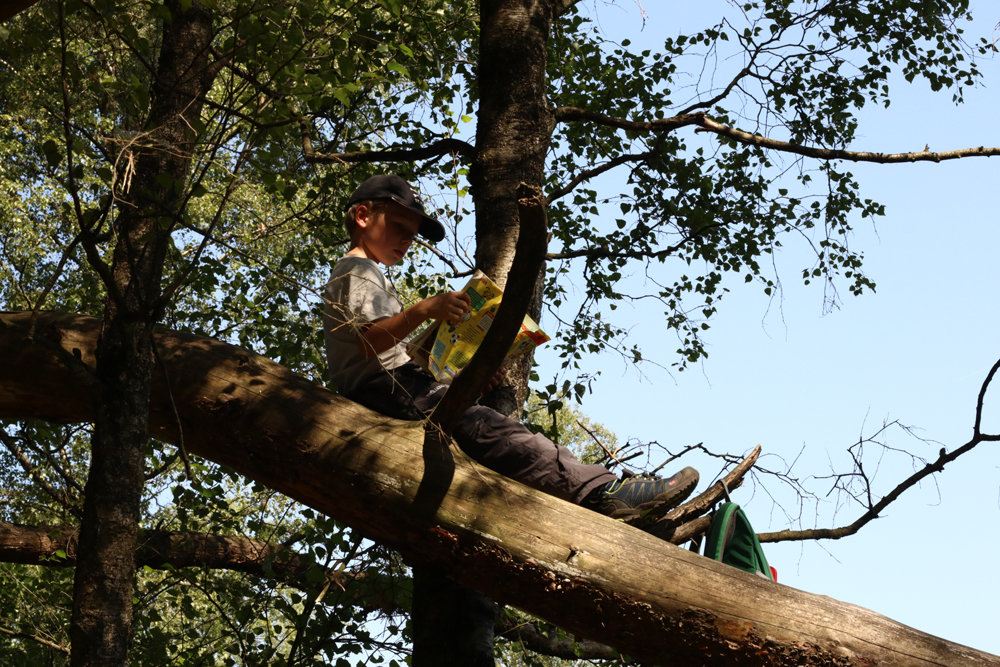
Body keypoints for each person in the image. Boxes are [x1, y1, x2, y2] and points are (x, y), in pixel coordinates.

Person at [323, 174, 699, 523]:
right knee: (493, 431)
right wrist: (424, 308)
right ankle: (603, 492)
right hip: (388, 388)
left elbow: (385, 348)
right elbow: (369, 343)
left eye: (413, 233)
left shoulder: (365, 272)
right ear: (362, 216)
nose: (406, 239)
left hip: (398, 386)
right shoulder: (358, 269)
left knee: (486, 436)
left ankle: (597, 502)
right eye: (399, 226)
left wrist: (463, 369)